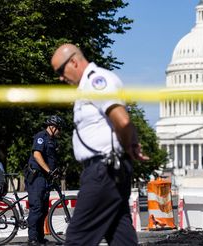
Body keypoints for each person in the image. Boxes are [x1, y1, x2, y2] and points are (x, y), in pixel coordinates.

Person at [51, 43, 149, 246]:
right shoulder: (87, 86)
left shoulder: (96, 81)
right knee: (121, 237)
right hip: (108, 170)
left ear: (74, 62)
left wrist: (128, 145)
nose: (61, 78)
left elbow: (122, 120)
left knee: (78, 238)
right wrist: (130, 144)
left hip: (102, 170)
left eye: (61, 71)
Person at [25, 115, 63, 246]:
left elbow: (51, 159)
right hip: (37, 177)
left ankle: (40, 238)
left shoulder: (53, 140)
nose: (60, 131)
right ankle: (32, 239)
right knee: (37, 207)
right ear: (52, 127)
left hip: (45, 178)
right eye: (59, 128)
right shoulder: (41, 136)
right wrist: (48, 170)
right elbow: (37, 154)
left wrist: (55, 171)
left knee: (44, 209)